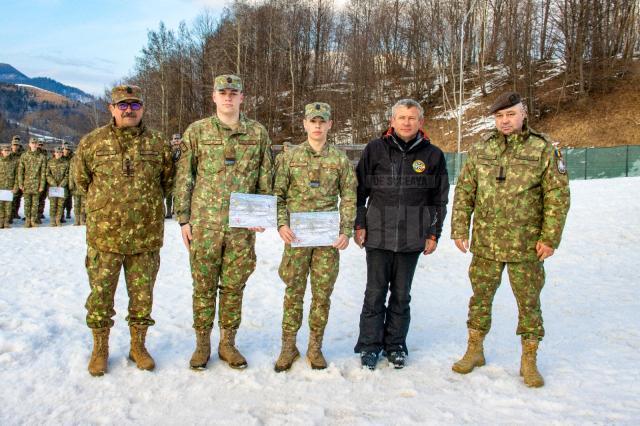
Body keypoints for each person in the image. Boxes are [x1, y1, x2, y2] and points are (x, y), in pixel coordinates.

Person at [450, 91, 570, 388]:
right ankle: (474, 349)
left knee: (529, 303)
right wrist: (459, 228)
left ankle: (529, 359)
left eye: (511, 114)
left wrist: (550, 237)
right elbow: (465, 190)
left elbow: (557, 196)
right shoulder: (481, 149)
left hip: (526, 245)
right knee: (480, 299)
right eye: (500, 116)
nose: (505, 120)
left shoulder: (542, 149)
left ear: (523, 114)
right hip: (487, 243)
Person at [174, 74, 273, 370]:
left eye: (234, 92)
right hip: (205, 225)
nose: (228, 97)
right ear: (214, 97)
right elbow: (185, 177)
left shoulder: (257, 133)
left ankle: (227, 343)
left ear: (243, 97)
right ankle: (202, 344)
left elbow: (265, 178)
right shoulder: (197, 132)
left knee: (234, 287)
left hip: (241, 228)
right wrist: (183, 219)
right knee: (202, 286)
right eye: (223, 92)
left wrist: (262, 214)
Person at [74, 85, 174, 376]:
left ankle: (138, 346)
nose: (128, 109)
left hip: (145, 237)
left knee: (142, 296)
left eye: (134, 104)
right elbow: (81, 181)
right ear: (112, 108)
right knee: (101, 296)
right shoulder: (92, 142)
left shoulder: (158, 143)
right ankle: (100, 348)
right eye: (122, 105)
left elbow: (167, 183)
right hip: (105, 238)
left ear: (142, 107)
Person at [353, 99, 450, 370]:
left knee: (401, 295)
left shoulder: (433, 155)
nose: (407, 122)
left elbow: (439, 200)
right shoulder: (375, 150)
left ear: (421, 122)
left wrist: (434, 233)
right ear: (392, 121)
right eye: (402, 117)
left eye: (412, 118)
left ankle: (395, 345)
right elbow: (359, 193)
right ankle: (370, 346)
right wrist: (359, 225)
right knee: (374, 294)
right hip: (378, 235)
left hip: (412, 238)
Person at [272, 102, 356, 372]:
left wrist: (346, 231)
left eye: (322, 121)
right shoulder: (290, 157)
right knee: (293, 292)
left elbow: (349, 197)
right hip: (296, 238)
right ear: (305, 124)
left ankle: (315, 346)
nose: (317, 126)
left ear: (330, 124)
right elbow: (279, 195)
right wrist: (281, 224)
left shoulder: (339, 159)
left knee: (322, 295)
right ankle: (288, 346)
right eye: (313, 121)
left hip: (326, 242)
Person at [17, 138, 46, 228]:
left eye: (35, 143)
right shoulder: (24, 156)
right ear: (29, 144)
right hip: (26, 184)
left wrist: (42, 185)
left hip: (36, 184)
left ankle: (33, 220)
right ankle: (27, 220)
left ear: (37, 145)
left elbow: (43, 172)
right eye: (32, 143)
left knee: (35, 204)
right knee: (27, 203)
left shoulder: (41, 157)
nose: (34, 144)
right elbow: (20, 171)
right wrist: (20, 183)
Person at [46, 146, 69, 226]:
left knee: (60, 205)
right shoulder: (50, 162)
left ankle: (58, 220)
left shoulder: (66, 163)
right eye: (57, 152)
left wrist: (62, 183)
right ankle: (52, 220)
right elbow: (47, 174)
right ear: (54, 153)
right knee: (53, 204)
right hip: (53, 187)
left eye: (60, 152)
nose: (59, 154)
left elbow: (67, 175)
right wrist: (53, 182)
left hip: (62, 187)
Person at [0, 144, 19, 228]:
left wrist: (15, 186)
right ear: (2, 151)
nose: (7, 152)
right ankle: (1, 221)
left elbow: (17, 175)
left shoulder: (14, 161)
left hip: (9, 188)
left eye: (8, 151)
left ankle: (6, 222)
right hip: (0, 187)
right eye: (5, 150)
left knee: (8, 206)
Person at [164, 133, 181, 218]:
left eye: (178, 139)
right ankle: (168, 212)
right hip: (169, 174)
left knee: (177, 193)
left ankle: (175, 209)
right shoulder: (168, 148)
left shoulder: (183, 149)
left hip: (179, 174)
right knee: (168, 194)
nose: (176, 140)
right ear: (172, 139)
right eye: (175, 139)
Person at [10, 136, 24, 222]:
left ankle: (15, 212)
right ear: (12, 145)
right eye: (14, 144)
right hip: (9, 179)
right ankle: (9, 215)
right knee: (9, 198)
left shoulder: (22, 154)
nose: (15, 146)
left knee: (18, 197)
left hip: (18, 178)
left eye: (17, 144)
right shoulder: (7, 153)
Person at [36, 139, 48, 224]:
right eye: (38, 144)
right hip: (34, 180)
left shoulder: (45, 154)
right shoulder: (33, 154)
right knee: (34, 200)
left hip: (43, 179)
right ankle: (33, 215)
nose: (40, 146)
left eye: (41, 145)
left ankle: (39, 214)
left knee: (42, 199)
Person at [62, 142, 74, 222]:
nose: (66, 151)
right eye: (65, 149)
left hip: (70, 180)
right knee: (62, 198)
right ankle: (61, 214)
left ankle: (68, 212)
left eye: (68, 149)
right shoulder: (61, 157)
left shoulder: (72, 157)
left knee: (69, 198)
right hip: (62, 180)